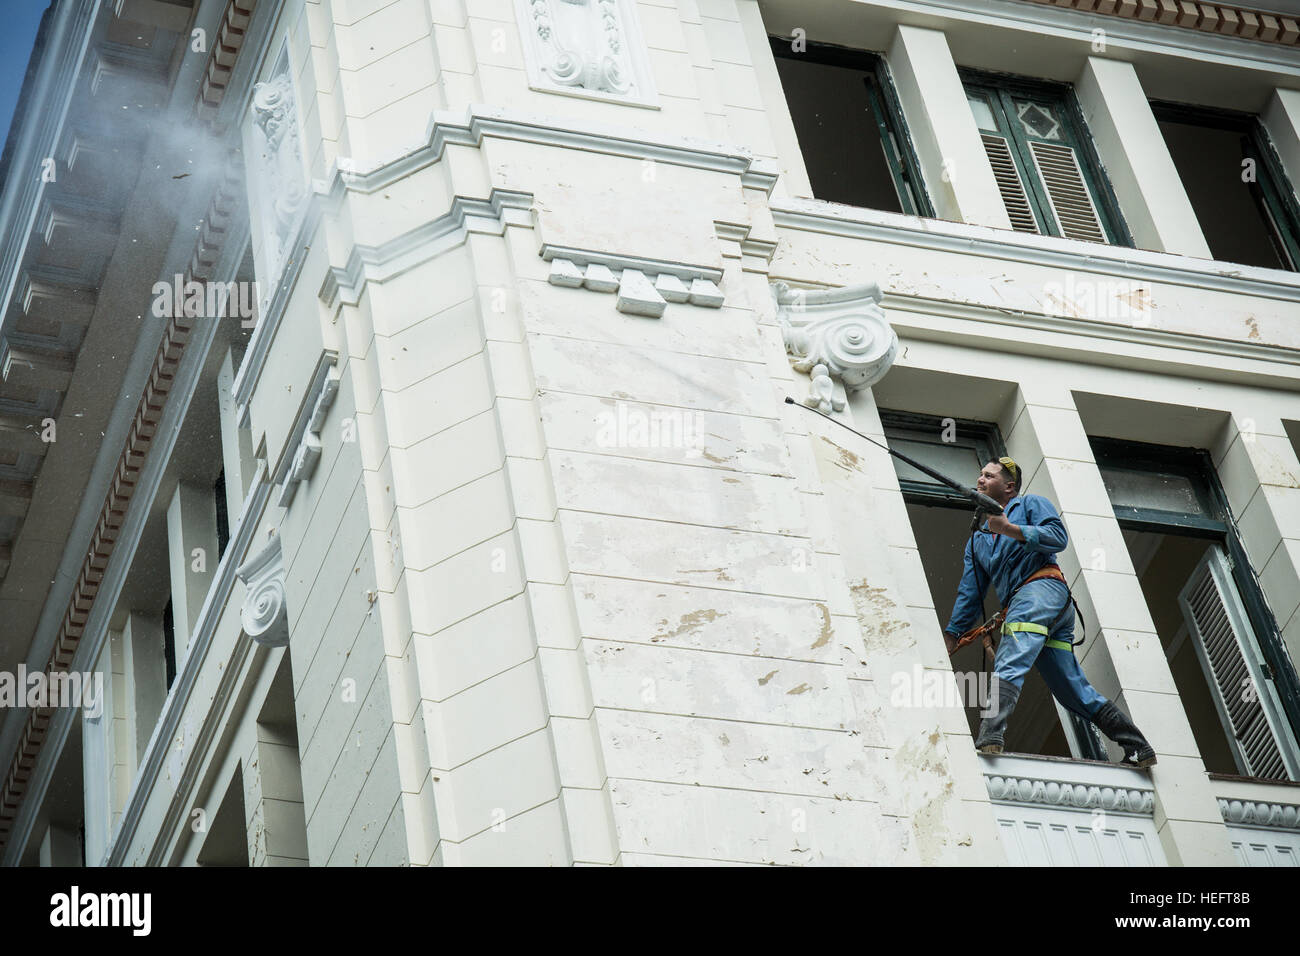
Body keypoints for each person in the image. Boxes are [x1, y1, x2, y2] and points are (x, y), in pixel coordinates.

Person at [943, 457, 1157, 767]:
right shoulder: (978, 540)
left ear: (1009, 486)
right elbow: (970, 592)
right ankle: (1137, 746)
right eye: (979, 475)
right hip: (1037, 608)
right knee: (1068, 688)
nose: (980, 480)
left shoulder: (1030, 504)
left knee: (1012, 653)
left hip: (1042, 591)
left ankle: (991, 734)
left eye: (988, 476)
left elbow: (1058, 538)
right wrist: (953, 634)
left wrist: (1011, 529)